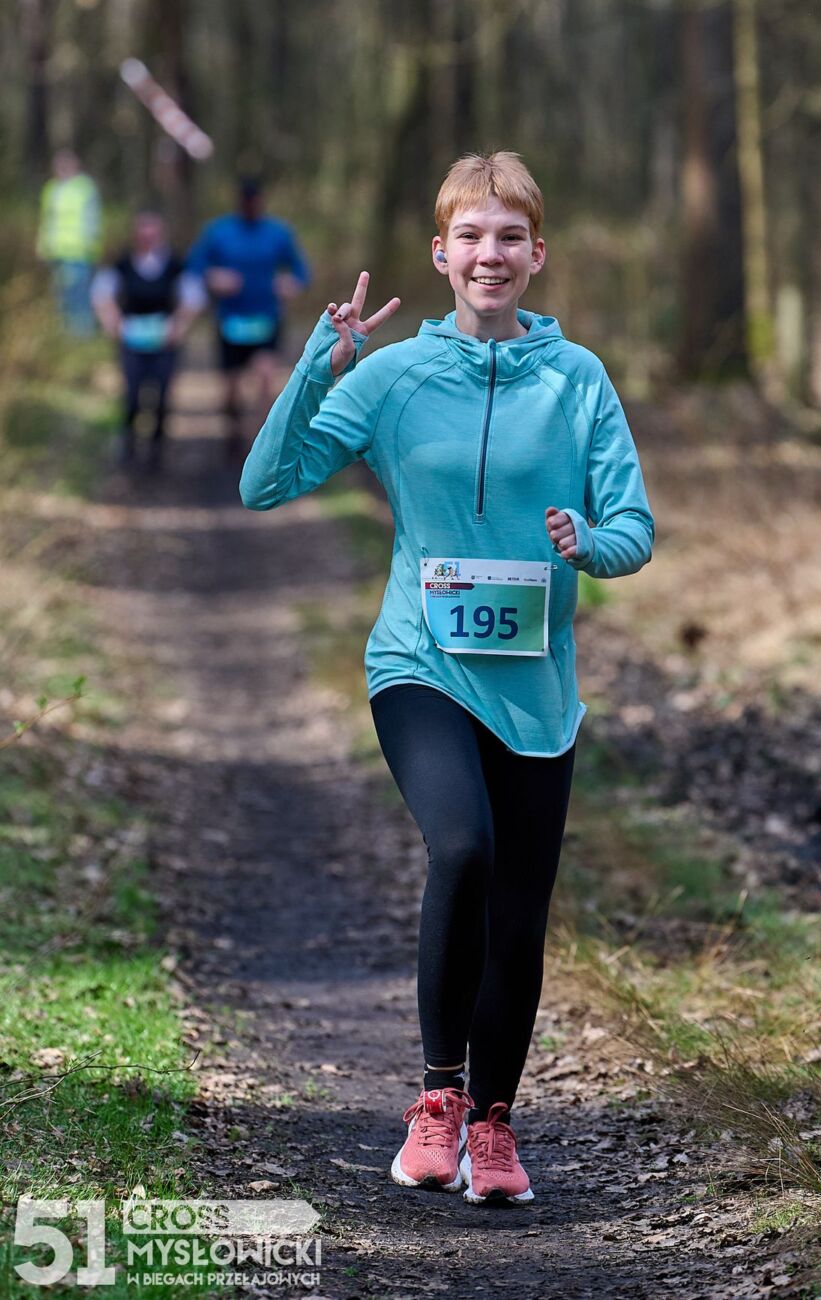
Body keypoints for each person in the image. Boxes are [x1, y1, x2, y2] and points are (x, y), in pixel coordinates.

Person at [240, 152, 654, 1205]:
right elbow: (265, 483)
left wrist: (589, 544)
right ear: (440, 254)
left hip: (536, 689)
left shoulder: (578, 380)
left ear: (537, 254)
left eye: (510, 236)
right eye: (471, 236)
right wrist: (320, 365)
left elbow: (635, 527)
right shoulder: (392, 377)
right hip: (419, 664)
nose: (489, 254)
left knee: (519, 910)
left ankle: (494, 1126)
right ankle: (437, 1100)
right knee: (463, 846)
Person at [188, 177, 310, 460]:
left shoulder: (278, 233)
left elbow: (301, 271)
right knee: (231, 388)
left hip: (266, 318)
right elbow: (194, 266)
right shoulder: (218, 232)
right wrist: (214, 278)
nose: (251, 207)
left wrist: (290, 283)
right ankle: (233, 432)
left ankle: (261, 443)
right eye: (246, 203)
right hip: (231, 320)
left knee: (266, 378)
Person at [91, 211, 205, 470]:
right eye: (144, 235)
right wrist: (113, 321)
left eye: (153, 234)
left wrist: (179, 325)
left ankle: (156, 450)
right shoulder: (122, 264)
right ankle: (129, 444)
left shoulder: (175, 265)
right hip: (132, 340)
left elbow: (194, 297)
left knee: (162, 396)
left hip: (164, 341)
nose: (148, 240)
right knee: (132, 396)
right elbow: (101, 294)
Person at [36, 149, 102, 336]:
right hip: (55, 251)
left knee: (78, 296)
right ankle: (65, 336)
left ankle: (82, 335)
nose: (62, 168)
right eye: (59, 165)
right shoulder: (51, 189)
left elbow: (93, 221)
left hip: (78, 252)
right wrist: (41, 247)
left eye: (66, 164)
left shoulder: (84, 187)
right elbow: (46, 221)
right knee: (60, 296)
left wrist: (92, 248)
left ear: (75, 165)